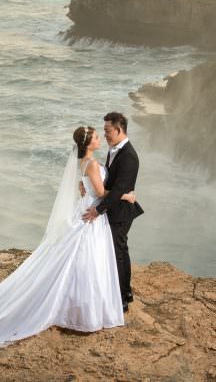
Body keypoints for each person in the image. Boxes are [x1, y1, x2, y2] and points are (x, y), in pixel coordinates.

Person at [0, 125, 137, 352]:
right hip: (92, 213)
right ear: (88, 143)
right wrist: (126, 195)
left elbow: (89, 186)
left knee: (84, 258)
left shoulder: (84, 162)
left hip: (87, 209)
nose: (100, 138)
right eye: (96, 137)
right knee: (85, 258)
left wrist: (89, 186)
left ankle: (82, 305)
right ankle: (81, 310)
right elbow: (100, 193)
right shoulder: (91, 164)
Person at [81, 112, 143, 311]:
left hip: (121, 212)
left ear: (119, 129)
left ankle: (122, 299)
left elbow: (118, 190)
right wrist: (85, 183)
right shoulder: (113, 149)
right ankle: (125, 292)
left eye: (107, 131)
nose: (105, 135)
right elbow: (108, 182)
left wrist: (98, 210)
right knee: (118, 252)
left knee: (118, 253)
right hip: (114, 207)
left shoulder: (129, 156)